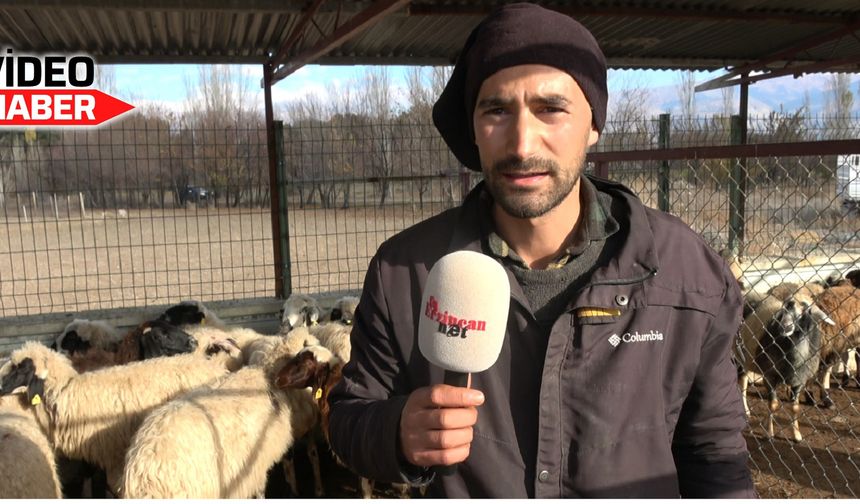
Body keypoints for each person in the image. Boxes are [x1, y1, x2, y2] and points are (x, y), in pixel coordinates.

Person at [327, 2, 755, 498]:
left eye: (550, 109)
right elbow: (349, 417)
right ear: (473, 129)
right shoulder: (405, 271)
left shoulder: (686, 270)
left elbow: (715, 455)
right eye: (496, 110)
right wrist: (396, 432)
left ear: (594, 123)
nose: (521, 142)